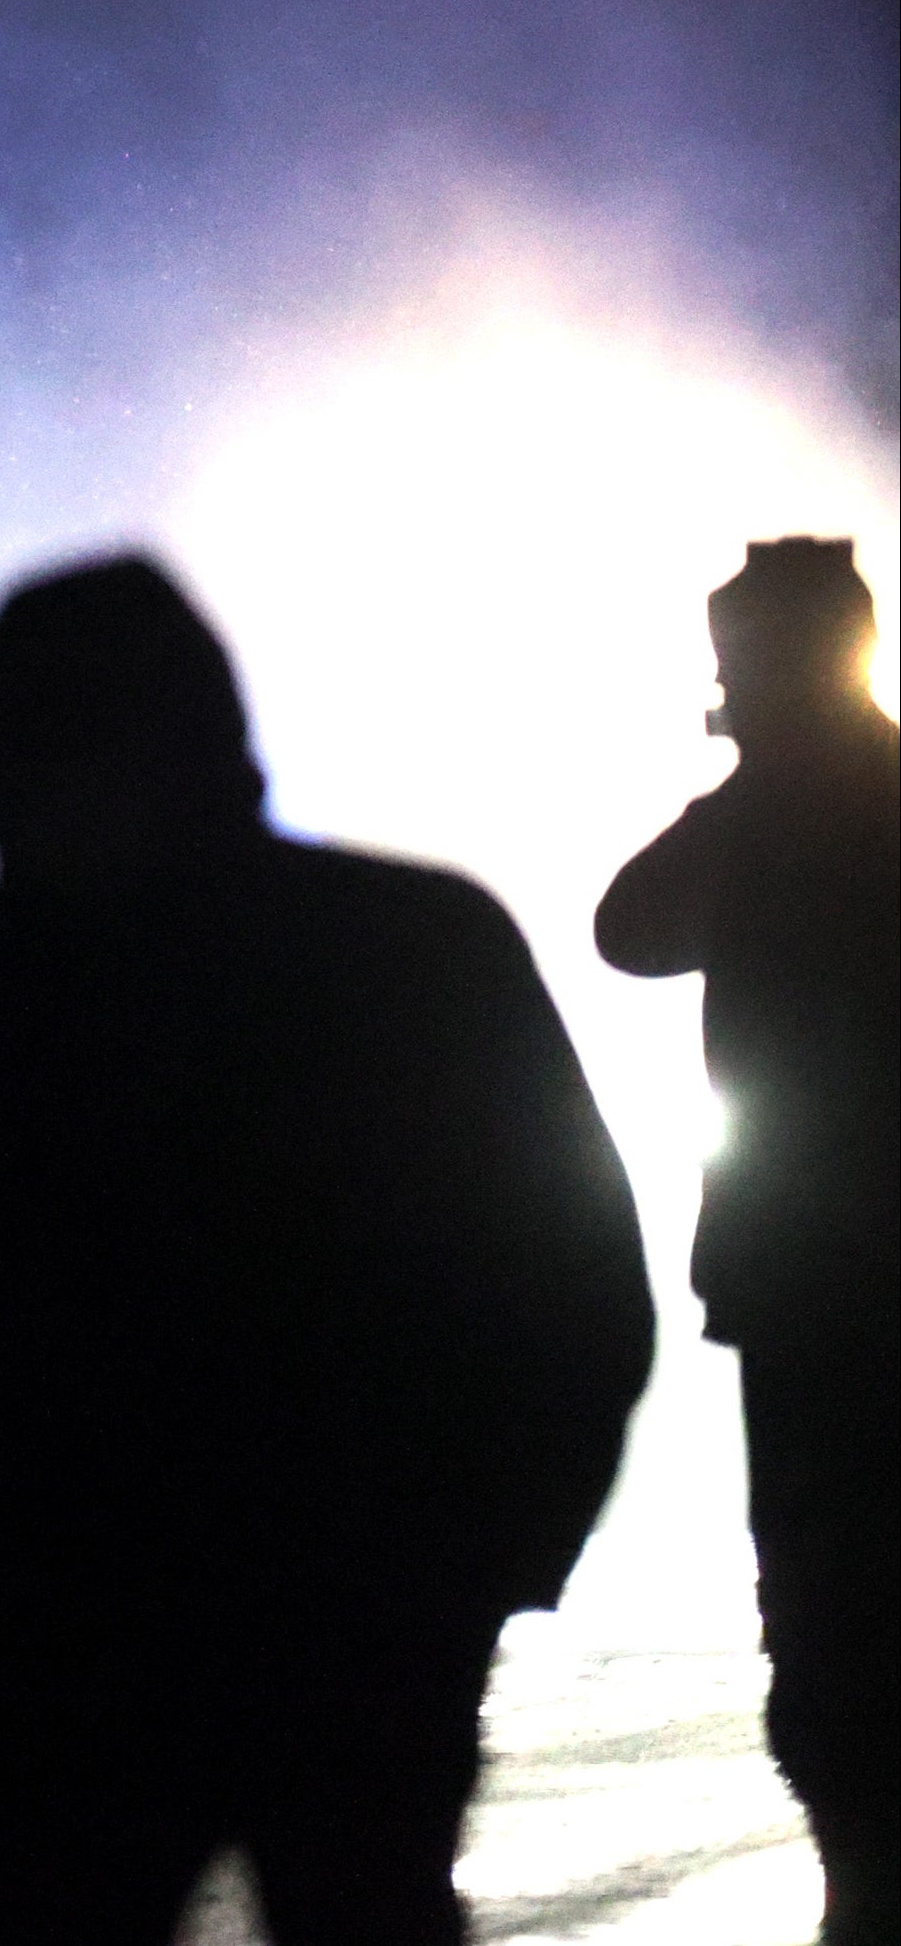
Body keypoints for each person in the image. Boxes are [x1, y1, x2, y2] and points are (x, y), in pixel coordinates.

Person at [0, 558, 654, 1942]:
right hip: (365, 1611)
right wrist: (496, 1557)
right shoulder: (419, 942)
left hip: (83, 1625)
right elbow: (576, 1287)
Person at [595, 537, 897, 1944]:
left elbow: (627, 927)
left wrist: (751, 785)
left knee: (826, 1598)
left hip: (810, 1279)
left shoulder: (773, 814)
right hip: (813, 1272)